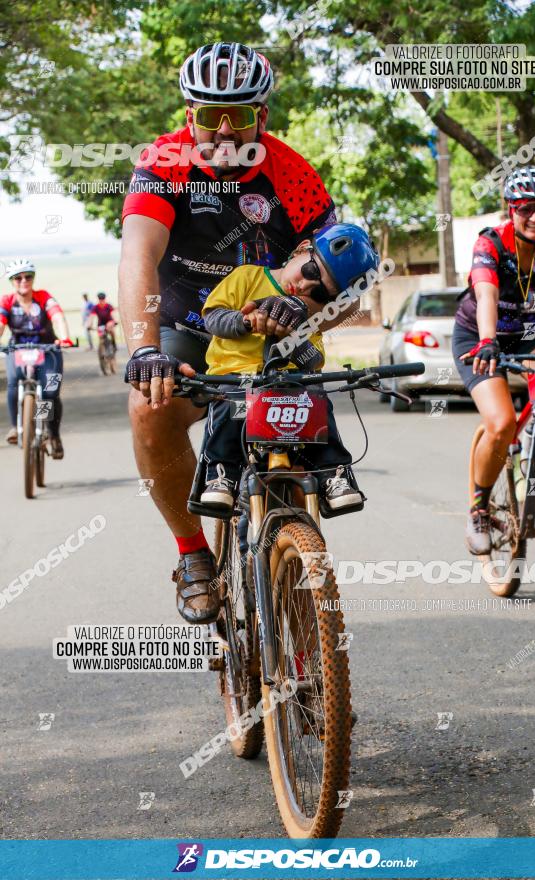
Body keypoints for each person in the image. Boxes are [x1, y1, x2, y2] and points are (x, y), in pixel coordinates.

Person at [119, 42, 359, 625]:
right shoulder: (163, 162)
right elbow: (138, 258)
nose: (224, 132)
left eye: (241, 116)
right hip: (187, 328)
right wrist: (143, 347)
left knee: (304, 412)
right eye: (208, 117)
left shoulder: (294, 173)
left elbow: (345, 286)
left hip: (267, 335)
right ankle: (194, 554)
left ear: (263, 117)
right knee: (149, 407)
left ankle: (300, 539)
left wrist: (305, 313)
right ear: (188, 115)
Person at [199, 224, 377, 520]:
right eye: (310, 272)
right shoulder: (247, 277)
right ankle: (221, 474)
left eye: (320, 292)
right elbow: (213, 317)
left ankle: (334, 475)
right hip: (239, 379)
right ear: (300, 249)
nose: (307, 287)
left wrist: (293, 338)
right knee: (229, 408)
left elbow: (314, 358)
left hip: (289, 387)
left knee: (318, 402)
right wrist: (246, 322)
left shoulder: (312, 313)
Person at [452, 165, 535, 554]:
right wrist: (488, 340)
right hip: (481, 336)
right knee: (502, 422)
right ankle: (478, 509)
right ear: (510, 209)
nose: (534, 217)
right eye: (525, 208)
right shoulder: (490, 243)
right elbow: (487, 294)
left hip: (531, 335)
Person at [0, 258, 74, 456]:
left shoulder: (43, 297)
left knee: (50, 392)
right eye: (18, 277)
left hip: (48, 349)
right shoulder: (7, 301)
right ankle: (16, 427)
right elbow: (0, 322)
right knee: (14, 383)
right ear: (12, 281)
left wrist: (64, 336)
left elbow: (57, 316)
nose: (23, 280)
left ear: (33, 278)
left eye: (28, 276)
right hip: (18, 349)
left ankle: (53, 434)